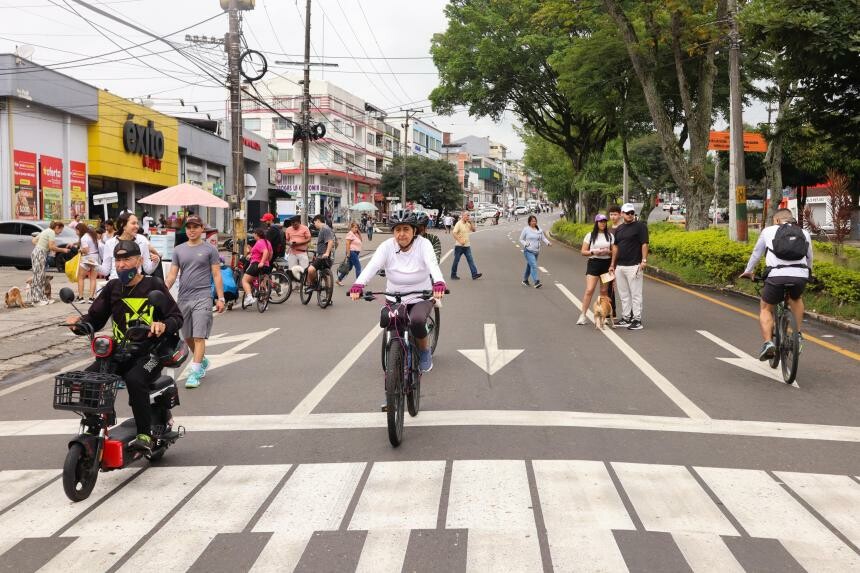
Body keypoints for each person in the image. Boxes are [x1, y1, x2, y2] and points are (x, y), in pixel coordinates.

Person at [65, 239, 184, 453]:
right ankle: (95, 424)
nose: (121, 265)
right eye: (118, 261)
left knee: (135, 380)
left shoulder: (154, 285)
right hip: (120, 352)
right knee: (88, 380)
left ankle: (144, 435)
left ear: (138, 260)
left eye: (126, 260)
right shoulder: (112, 287)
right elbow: (95, 319)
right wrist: (78, 324)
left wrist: (163, 325)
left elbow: (176, 317)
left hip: (150, 354)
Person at [349, 210, 446, 372]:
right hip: (394, 296)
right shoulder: (387, 246)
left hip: (420, 296)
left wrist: (439, 282)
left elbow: (432, 264)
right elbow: (373, 266)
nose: (401, 234)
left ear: (414, 230)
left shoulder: (424, 244)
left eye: (406, 229)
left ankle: (424, 352)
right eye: (397, 230)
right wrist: (358, 284)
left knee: (416, 320)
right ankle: (397, 354)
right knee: (392, 322)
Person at [740, 208, 813, 360]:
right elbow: (809, 257)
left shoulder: (768, 231)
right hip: (800, 275)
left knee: (766, 308)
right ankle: (797, 335)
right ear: (791, 219)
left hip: (776, 276)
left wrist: (748, 271)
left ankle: (768, 343)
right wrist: (808, 273)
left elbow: (757, 253)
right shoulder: (804, 233)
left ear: (777, 220)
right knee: (796, 298)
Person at [165, 215, 225, 389]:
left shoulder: (210, 250)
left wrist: (220, 298)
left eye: (195, 227)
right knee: (187, 336)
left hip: (203, 296)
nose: (191, 230)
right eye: (189, 227)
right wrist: (163, 289)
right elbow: (172, 274)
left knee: (199, 336)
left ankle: (195, 372)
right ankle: (202, 360)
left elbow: (216, 274)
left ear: (201, 229)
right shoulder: (178, 250)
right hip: (184, 297)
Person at [608, 203, 648, 330]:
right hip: (620, 266)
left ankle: (637, 320)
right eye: (627, 213)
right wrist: (612, 264)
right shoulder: (619, 229)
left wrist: (644, 260)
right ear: (622, 214)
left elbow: (644, 244)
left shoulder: (640, 226)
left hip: (634, 265)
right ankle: (626, 317)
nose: (630, 215)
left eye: (632, 213)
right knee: (623, 294)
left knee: (636, 294)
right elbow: (615, 247)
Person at [99, 212, 160, 280]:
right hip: (116, 282)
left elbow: (148, 270)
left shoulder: (142, 241)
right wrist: (95, 265)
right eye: (133, 223)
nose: (137, 226)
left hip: (136, 283)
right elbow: (105, 271)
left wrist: (155, 261)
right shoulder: (110, 243)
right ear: (123, 225)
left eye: (137, 223)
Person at [577, 214, 614, 324]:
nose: (603, 223)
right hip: (593, 263)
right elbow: (583, 251)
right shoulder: (590, 235)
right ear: (596, 222)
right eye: (600, 221)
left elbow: (614, 252)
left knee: (604, 291)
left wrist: (607, 252)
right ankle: (583, 315)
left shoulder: (610, 236)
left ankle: (604, 315)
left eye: (604, 221)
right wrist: (593, 252)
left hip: (606, 264)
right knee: (589, 290)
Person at [30, 220, 71, 305]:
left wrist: (41, 246)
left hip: (37, 252)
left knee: (39, 276)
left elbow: (33, 240)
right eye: (61, 230)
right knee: (38, 277)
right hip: (40, 253)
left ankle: (41, 298)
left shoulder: (46, 230)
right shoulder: (51, 232)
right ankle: (36, 300)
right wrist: (63, 250)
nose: (60, 232)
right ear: (57, 227)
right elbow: (52, 247)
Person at [241, 227, 272, 306]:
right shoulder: (267, 242)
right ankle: (264, 303)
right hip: (266, 266)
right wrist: (266, 261)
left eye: (254, 234)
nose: (253, 235)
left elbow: (265, 251)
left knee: (245, 280)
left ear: (256, 234)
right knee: (262, 283)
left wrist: (261, 262)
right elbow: (270, 253)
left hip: (257, 264)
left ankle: (249, 297)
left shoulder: (259, 242)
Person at [519, 215, 552, 288]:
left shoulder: (539, 229)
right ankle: (536, 282)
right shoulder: (526, 229)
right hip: (528, 251)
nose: (534, 222)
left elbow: (543, 238)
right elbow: (521, 239)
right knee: (534, 265)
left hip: (536, 251)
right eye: (532, 221)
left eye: (535, 221)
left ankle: (525, 280)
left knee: (529, 266)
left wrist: (548, 243)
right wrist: (525, 244)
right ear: (529, 222)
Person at [450, 211, 481, 280]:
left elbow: (474, 230)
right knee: (456, 261)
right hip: (459, 246)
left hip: (467, 246)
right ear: (463, 216)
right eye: (467, 215)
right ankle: (453, 274)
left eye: (468, 215)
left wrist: (471, 222)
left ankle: (474, 274)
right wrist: (460, 241)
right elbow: (454, 233)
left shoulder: (468, 223)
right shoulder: (459, 223)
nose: (468, 217)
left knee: (470, 260)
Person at [306, 214, 334, 289]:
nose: (314, 225)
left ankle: (314, 284)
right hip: (323, 255)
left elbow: (330, 241)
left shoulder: (325, 228)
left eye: (314, 222)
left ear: (318, 221)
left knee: (310, 270)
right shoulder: (325, 228)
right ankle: (328, 293)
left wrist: (327, 253)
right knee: (324, 274)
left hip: (323, 256)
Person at [75, 224, 100, 303]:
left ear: (80, 230)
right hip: (95, 257)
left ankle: (81, 297)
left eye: (77, 230)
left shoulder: (84, 238)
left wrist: (80, 250)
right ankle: (91, 298)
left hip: (87, 258)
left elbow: (86, 250)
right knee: (93, 279)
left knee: (80, 278)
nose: (76, 232)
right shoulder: (92, 235)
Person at [606, 205, 622, 318]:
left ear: (620, 214)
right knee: (609, 287)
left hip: (622, 262)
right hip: (609, 262)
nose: (613, 217)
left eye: (615, 214)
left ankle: (629, 315)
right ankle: (612, 312)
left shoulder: (623, 228)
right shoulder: (607, 229)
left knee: (623, 288)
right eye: (611, 214)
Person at [337, 221, 363, 286]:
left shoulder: (356, 234)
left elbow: (361, 240)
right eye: (355, 227)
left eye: (357, 227)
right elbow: (347, 244)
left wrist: (359, 233)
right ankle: (358, 283)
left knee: (349, 267)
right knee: (358, 267)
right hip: (352, 252)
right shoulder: (350, 234)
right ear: (351, 228)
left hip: (355, 252)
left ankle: (339, 280)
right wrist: (348, 254)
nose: (356, 229)